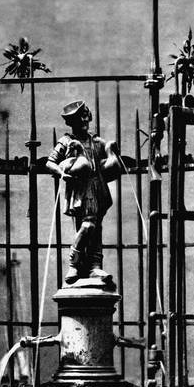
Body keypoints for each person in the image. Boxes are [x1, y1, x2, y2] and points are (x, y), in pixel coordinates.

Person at [44, 99, 123, 285]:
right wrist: (62, 173)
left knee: (96, 229)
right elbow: (50, 163)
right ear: (72, 122)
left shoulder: (96, 141)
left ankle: (95, 266)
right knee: (87, 226)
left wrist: (113, 151)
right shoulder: (66, 141)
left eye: (86, 117)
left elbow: (109, 162)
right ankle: (74, 263)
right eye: (81, 119)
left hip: (98, 189)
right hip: (81, 190)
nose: (85, 121)